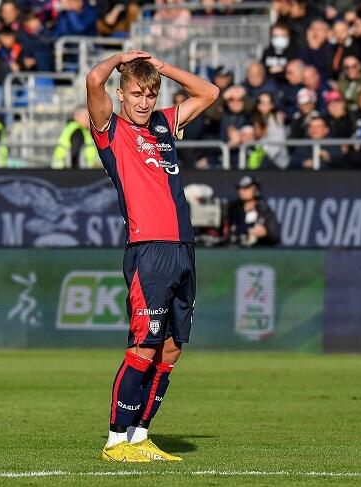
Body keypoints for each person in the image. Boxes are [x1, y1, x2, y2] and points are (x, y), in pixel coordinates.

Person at [86, 50, 218, 462]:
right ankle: (115, 441)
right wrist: (122, 59)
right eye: (137, 93)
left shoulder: (164, 122)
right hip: (148, 251)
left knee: (173, 347)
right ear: (122, 95)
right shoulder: (111, 130)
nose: (144, 101)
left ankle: (140, 436)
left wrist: (161, 68)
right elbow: (94, 79)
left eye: (151, 94)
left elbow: (209, 92)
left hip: (183, 248)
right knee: (144, 346)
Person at [226, 176, 280, 247]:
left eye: (246, 188)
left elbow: (275, 236)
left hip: (259, 250)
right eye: (240, 188)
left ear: (255, 190)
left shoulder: (264, 210)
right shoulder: (234, 209)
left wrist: (266, 232)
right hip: (237, 250)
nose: (241, 191)